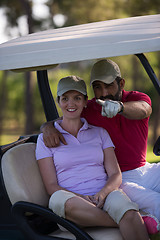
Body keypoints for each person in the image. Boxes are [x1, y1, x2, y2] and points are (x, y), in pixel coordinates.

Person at [41, 59, 160, 235]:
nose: (103, 93)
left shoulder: (137, 99)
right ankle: (144, 221)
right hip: (120, 178)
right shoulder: (88, 109)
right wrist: (46, 127)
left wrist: (119, 107)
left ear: (121, 83)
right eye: (97, 87)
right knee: (157, 202)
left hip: (144, 169)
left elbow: (144, 109)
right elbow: (64, 118)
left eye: (109, 85)